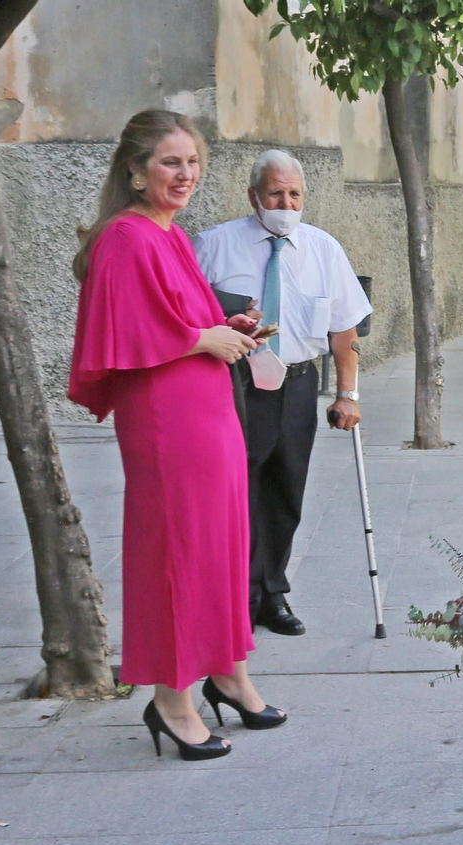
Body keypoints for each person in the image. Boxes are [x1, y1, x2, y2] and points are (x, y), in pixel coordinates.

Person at [69, 110, 287, 761]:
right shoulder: (127, 237)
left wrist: (230, 324)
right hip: (167, 422)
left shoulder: (166, 233)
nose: (185, 173)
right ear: (134, 170)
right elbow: (123, 332)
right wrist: (203, 337)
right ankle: (170, 698)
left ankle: (228, 672)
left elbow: (173, 317)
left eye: (192, 161)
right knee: (177, 554)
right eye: (170, 162)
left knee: (220, 543)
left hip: (206, 411)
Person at [194, 151, 373, 638]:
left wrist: (348, 395)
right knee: (236, 494)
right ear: (254, 196)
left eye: (294, 194)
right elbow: (186, 315)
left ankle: (271, 593)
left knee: (286, 491)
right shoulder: (212, 246)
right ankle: (240, 597)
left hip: (297, 386)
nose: (285, 202)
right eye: (275, 193)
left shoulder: (323, 250)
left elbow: (344, 329)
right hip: (235, 385)